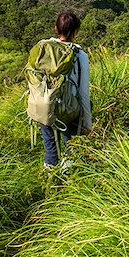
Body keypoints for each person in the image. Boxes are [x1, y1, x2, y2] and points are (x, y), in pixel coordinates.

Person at [40, 11, 91, 169]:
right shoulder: (80, 55)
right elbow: (83, 93)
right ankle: (67, 178)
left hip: (44, 106)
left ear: (56, 29)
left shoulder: (44, 48)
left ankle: (49, 180)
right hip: (69, 110)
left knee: (51, 150)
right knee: (71, 147)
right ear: (76, 32)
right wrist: (87, 124)